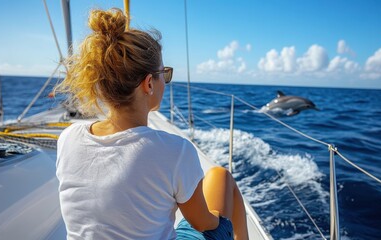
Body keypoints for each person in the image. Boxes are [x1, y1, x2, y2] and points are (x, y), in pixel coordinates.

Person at [55, 8, 248, 240]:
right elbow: (201, 223)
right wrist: (218, 218)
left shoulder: (68, 138)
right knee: (221, 177)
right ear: (148, 83)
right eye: (163, 74)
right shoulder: (175, 150)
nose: (164, 82)